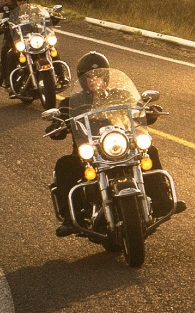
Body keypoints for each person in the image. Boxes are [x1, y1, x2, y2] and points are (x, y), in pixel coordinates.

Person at [47, 51, 185, 231]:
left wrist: (149, 111)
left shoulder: (122, 95)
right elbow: (58, 123)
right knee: (65, 164)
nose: (95, 79)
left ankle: (162, 201)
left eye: (100, 75)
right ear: (82, 79)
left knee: (150, 151)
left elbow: (137, 110)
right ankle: (71, 217)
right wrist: (56, 126)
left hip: (122, 146)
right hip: (90, 153)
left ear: (107, 77)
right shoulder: (70, 102)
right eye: (90, 77)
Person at [0, 0, 32, 89]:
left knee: (49, 46)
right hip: (12, 39)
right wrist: (3, 23)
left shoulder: (28, 7)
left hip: (31, 38)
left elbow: (40, 15)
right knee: (7, 53)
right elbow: (0, 18)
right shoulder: (3, 9)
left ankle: (59, 73)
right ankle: (8, 79)